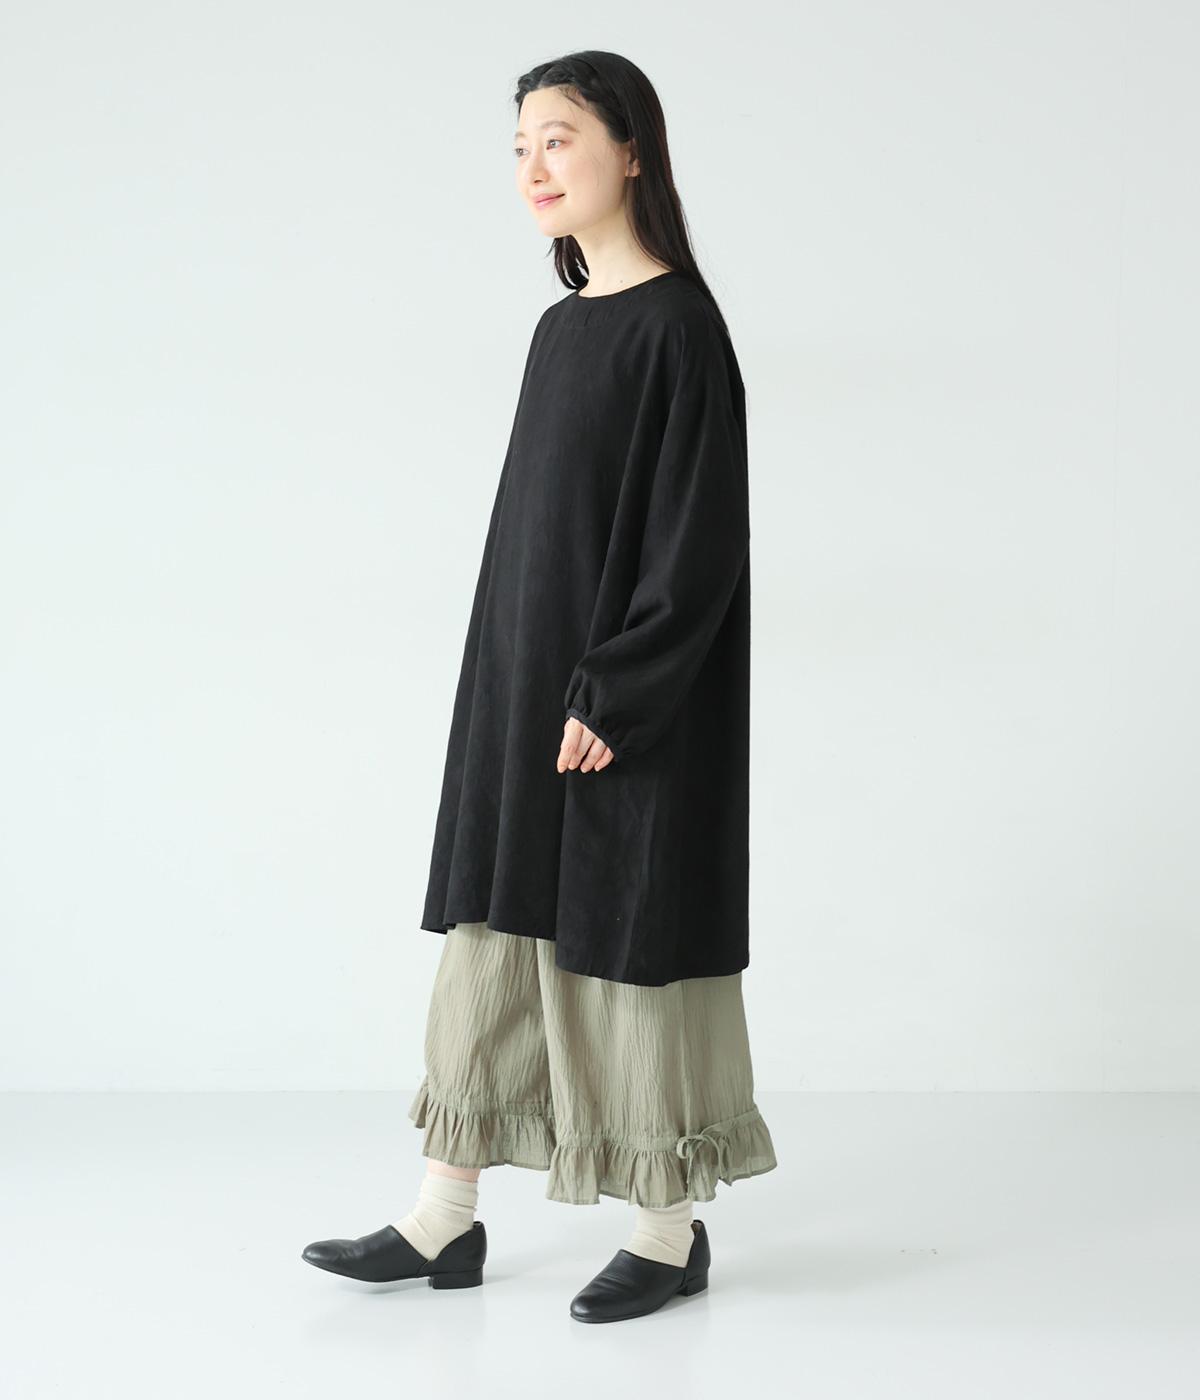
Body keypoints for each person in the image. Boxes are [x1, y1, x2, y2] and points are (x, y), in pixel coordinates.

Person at [302, 48, 778, 1324]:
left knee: (632, 946)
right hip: (523, 689)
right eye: (520, 145)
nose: (533, 166)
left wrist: (615, 692)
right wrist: (513, 689)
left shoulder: (681, 328)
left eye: (558, 138)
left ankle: (668, 1231)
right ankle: (443, 1216)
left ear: (633, 151)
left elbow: (699, 542)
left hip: (626, 706)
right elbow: (533, 533)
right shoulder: (559, 329)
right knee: (495, 933)